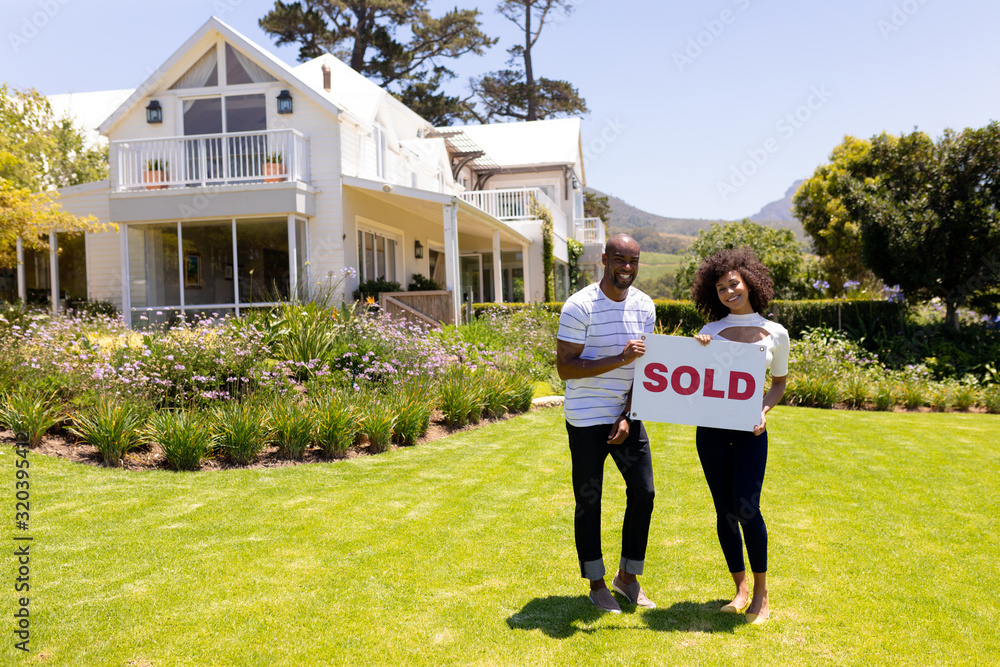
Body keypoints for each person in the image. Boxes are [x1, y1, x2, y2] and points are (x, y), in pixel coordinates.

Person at [556, 234, 657, 613]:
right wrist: (618, 358)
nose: (626, 267)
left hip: (625, 415)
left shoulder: (645, 306)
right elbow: (566, 368)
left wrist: (629, 414)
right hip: (585, 418)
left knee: (643, 493)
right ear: (604, 259)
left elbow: (647, 368)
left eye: (633, 260)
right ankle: (596, 583)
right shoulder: (579, 306)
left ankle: (627, 577)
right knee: (589, 499)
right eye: (619, 259)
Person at [690, 247, 789, 624]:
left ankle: (762, 595)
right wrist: (697, 352)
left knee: (748, 509)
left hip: (750, 433)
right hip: (711, 433)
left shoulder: (776, 332)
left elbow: (778, 383)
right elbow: (694, 379)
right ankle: (740, 589)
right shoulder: (708, 331)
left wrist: (763, 411)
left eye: (733, 284)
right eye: (720, 288)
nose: (728, 293)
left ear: (749, 283)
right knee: (724, 511)